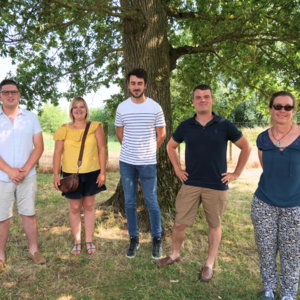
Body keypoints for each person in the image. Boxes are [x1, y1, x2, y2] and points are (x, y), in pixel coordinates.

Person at [156, 84, 252, 282]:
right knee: (179, 223)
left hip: (216, 185)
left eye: (206, 96)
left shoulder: (225, 124)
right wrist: (177, 169)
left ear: (212, 100)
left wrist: (236, 173)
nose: (202, 100)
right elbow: (171, 146)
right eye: (198, 97)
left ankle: (209, 264)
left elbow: (246, 147)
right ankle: (175, 254)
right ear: (193, 101)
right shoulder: (185, 126)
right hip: (190, 183)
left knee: (214, 225)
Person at [251, 91, 300, 300]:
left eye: (287, 107)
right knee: (266, 248)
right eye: (278, 106)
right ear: (270, 109)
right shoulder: (262, 138)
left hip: (295, 204)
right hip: (264, 203)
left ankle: (288, 294)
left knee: (292, 253)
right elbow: (266, 169)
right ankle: (269, 289)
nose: (282, 111)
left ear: (293, 110)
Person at [115, 68, 166, 259]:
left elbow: (161, 134)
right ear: (128, 85)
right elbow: (120, 134)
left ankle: (156, 240)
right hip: (127, 163)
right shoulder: (122, 107)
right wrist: (131, 149)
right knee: (129, 202)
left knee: (152, 201)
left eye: (140, 83)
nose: (136, 87)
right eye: (133, 83)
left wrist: (149, 151)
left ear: (145, 85)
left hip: (147, 163)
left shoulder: (155, 107)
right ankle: (134, 239)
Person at [0, 79, 46, 272]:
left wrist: (25, 169)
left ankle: (33, 250)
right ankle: (0, 256)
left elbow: (39, 146)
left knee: (29, 213)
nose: (10, 95)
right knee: (2, 217)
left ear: (19, 95)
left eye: (14, 92)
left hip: (28, 176)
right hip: (2, 177)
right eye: (5, 92)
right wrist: (10, 171)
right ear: (1, 96)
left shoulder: (31, 117)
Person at [53, 97, 106, 255]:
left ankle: (88, 239)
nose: (78, 109)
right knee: (75, 207)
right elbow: (57, 153)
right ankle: (77, 240)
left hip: (92, 172)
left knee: (89, 206)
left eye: (82, 107)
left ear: (86, 110)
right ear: (71, 111)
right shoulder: (64, 129)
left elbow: (102, 149)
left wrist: (103, 172)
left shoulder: (95, 127)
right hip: (71, 175)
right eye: (75, 107)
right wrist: (56, 174)